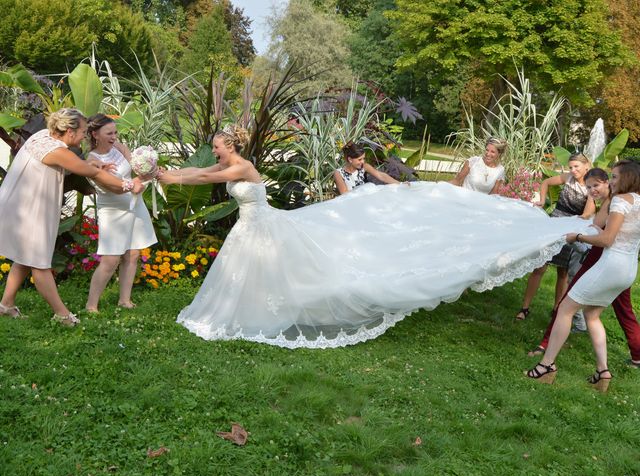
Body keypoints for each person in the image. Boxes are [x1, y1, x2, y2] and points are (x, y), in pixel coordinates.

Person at [156, 124, 591, 349]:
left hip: (259, 222)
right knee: (252, 268)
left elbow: (207, 175)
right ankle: (245, 307)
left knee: (273, 265)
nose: (214, 151)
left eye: (217, 146)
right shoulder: (225, 164)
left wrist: (176, 176)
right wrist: (165, 173)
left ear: (229, 147)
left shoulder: (242, 166)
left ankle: (257, 309)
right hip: (251, 226)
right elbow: (202, 172)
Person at [0, 108, 144, 325]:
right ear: (69, 131)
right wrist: (128, 184)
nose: (85, 136)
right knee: (38, 263)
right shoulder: (59, 152)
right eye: (84, 131)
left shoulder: (43, 136)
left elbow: (84, 167)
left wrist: (92, 164)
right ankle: (62, 314)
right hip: (30, 210)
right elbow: (92, 173)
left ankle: (6, 305)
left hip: (23, 204)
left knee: (25, 257)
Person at [525, 160, 640, 391]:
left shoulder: (619, 200)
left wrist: (577, 237)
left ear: (627, 177)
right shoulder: (638, 201)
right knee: (592, 315)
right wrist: (588, 228)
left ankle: (546, 366)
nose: (612, 181)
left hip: (610, 265)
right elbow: (608, 230)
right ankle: (602, 372)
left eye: (615, 177)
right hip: (628, 269)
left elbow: (607, 240)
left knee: (565, 309)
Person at [84, 114, 157, 312]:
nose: (114, 136)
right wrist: (133, 185)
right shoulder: (92, 160)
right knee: (111, 259)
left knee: (133, 254)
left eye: (115, 132)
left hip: (134, 205)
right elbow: (114, 188)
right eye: (109, 133)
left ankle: (124, 299)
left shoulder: (119, 147)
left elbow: (136, 167)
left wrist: (151, 169)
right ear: (94, 134)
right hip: (113, 210)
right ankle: (91, 305)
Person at [515, 153, 595, 320]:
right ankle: (525, 307)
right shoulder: (567, 178)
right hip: (553, 225)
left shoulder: (590, 187)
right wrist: (542, 200)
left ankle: (557, 309)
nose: (572, 170)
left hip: (569, 231)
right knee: (539, 267)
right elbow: (546, 182)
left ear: (586, 166)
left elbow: (588, 213)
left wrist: (582, 216)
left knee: (563, 273)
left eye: (576, 167)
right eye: (570, 167)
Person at [334, 142, 401, 194]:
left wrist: (399, 184)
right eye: (359, 159)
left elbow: (381, 176)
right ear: (350, 159)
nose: (363, 161)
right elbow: (344, 194)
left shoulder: (364, 167)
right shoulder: (338, 173)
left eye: (363, 158)